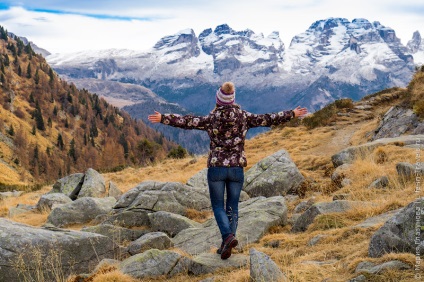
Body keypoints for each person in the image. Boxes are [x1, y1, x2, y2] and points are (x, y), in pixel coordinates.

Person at [148, 82, 308, 259]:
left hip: (217, 168)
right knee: (233, 207)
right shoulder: (243, 117)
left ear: (218, 99)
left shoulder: (212, 118)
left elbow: (187, 121)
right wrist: (291, 113)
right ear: (232, 100)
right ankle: (228, 243)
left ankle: (227, 238)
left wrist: (164, 118)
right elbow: (268, 118)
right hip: (236, 168)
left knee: (218, 206)